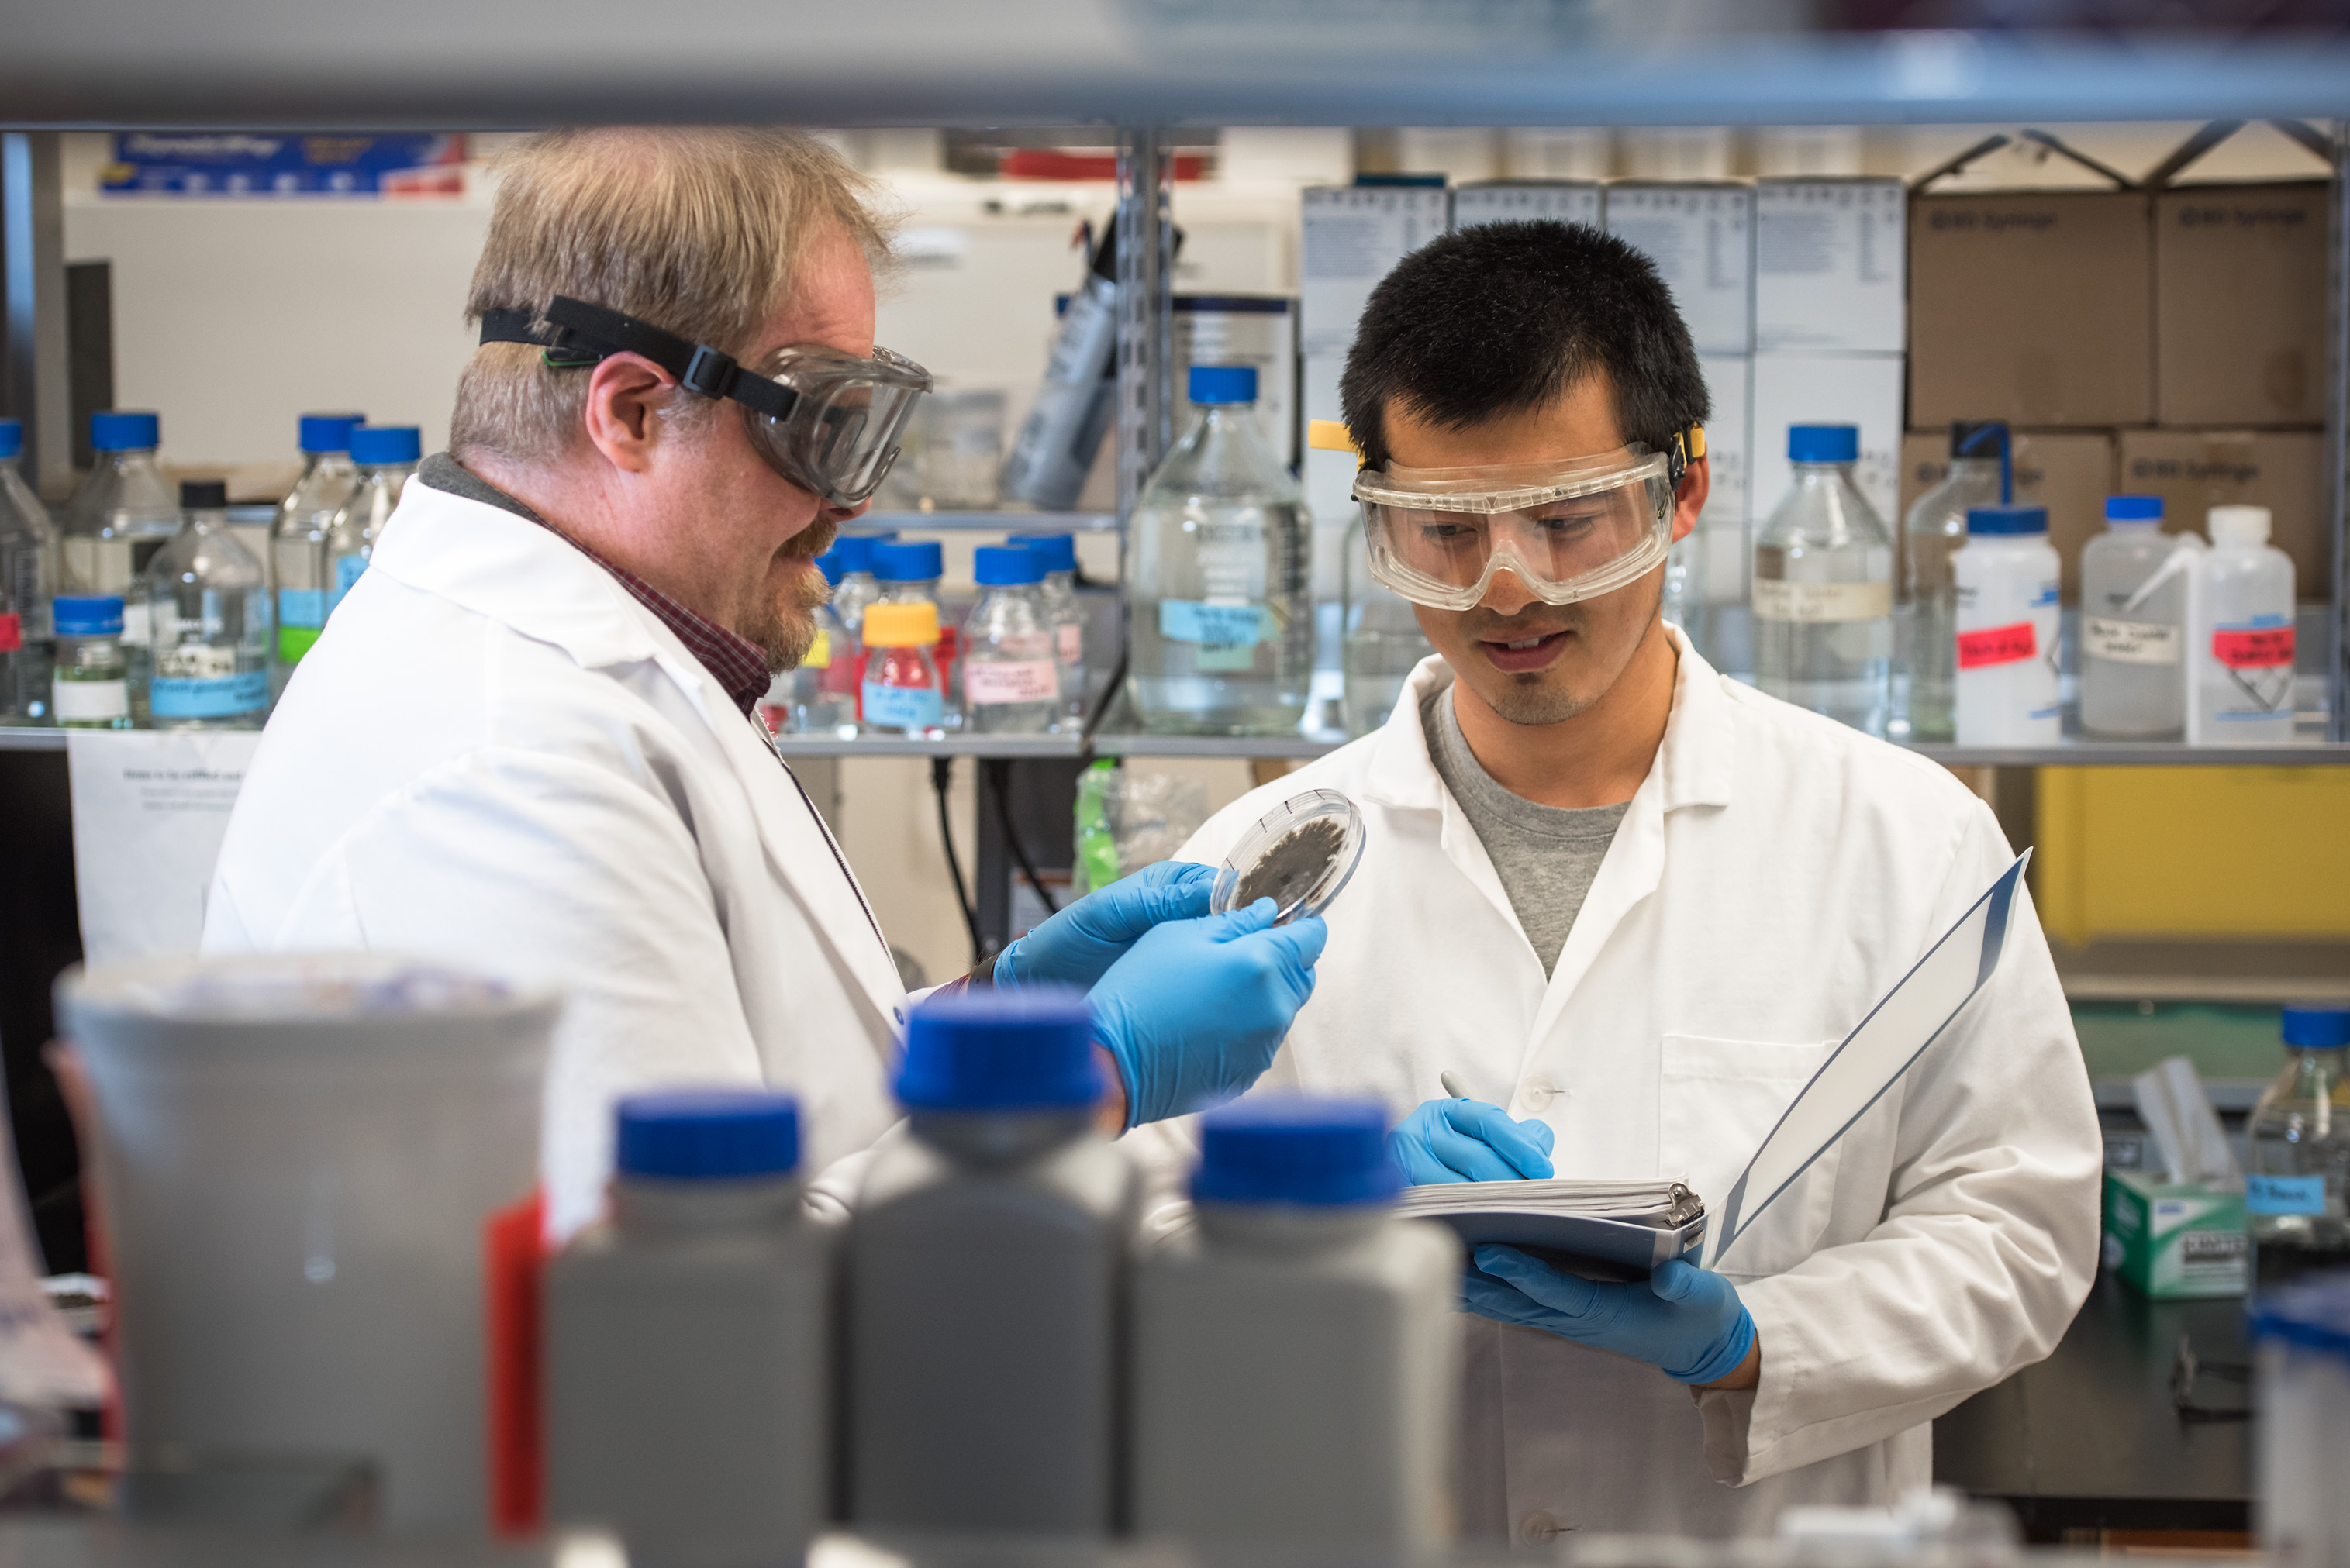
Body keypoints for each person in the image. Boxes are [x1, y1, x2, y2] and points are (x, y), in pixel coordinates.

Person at [1148, 221, 2101, 1535]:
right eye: (1443, 529)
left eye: (1565, 521)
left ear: (1682, 492)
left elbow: (2019, 1230)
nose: (1506, 590)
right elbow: (1129, 1248)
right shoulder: (1253, 869)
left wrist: (1754, 1339)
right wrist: (1313, 1212)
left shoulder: (1904, 842)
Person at [201, 128, 1324, 1236]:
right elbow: (682, 1306)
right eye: (826, 429)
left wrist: (999, 1020)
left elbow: (772, 1077)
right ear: (633, 411)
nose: (852, 504)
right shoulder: (501, 759)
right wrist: (1091, 1076)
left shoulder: (605, 672)